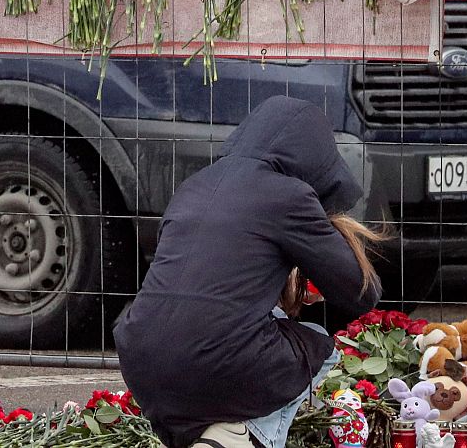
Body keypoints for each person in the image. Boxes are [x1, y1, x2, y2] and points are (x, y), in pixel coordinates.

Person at [114, 95, 385, 448]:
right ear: (315, 156)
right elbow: (362, 293)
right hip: (217, 359)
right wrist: (327, 232)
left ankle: (209, 436)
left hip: (140, 358)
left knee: (249, 327)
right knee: (319, 345)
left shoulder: (194, 185)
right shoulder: (289, 195)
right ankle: (241, 439)